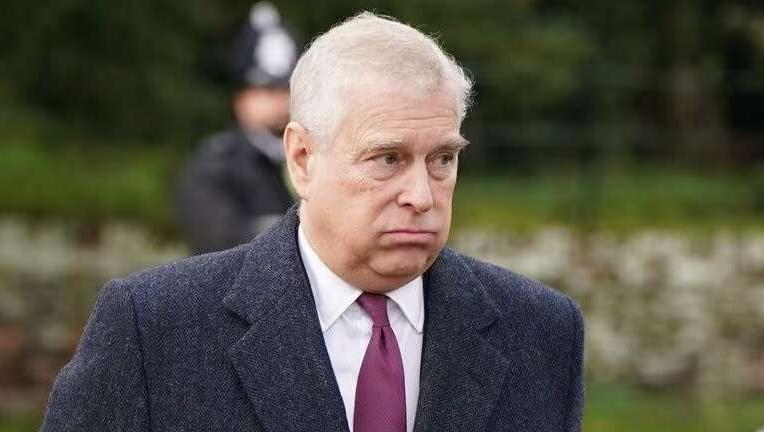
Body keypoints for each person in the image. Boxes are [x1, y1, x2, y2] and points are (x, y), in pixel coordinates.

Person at [42, 12, 584, 432]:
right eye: (387, 158)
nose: (422, 196)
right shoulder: (155, 329)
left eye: (442, 158)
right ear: (302, 159)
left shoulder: (542, 333)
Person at [177, 2, 296, 255]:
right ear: (240, 99)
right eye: (267, 90)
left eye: (287, 89)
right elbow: (219, 246)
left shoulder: (313, 159)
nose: (281, 100)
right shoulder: (215, 166)